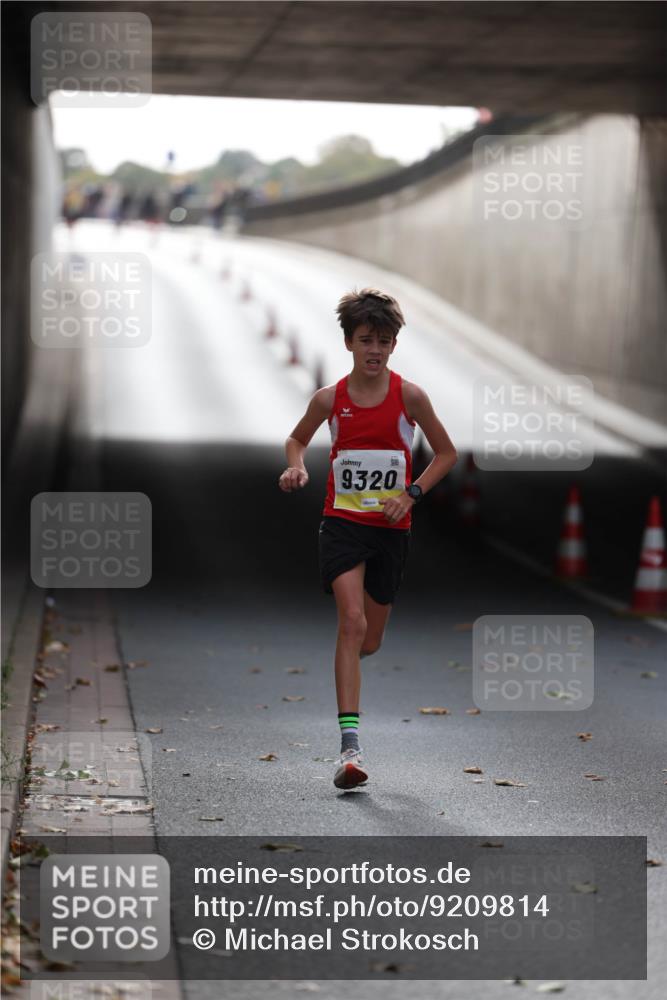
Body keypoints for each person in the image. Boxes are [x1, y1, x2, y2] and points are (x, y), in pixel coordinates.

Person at [278, 289, 457, 790]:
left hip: (390, 532)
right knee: (351, 624)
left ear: (394, 345)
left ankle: (350, 677)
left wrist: (412, 494)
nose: (374, 350)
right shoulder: (330, 399)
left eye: (383, 341)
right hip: (341, 524)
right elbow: (297, 439)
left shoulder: (410, 397)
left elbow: (446, 454)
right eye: (365, 341)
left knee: (370, 641)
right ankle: (349, 750)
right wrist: (295, 468)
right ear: (348, 343)